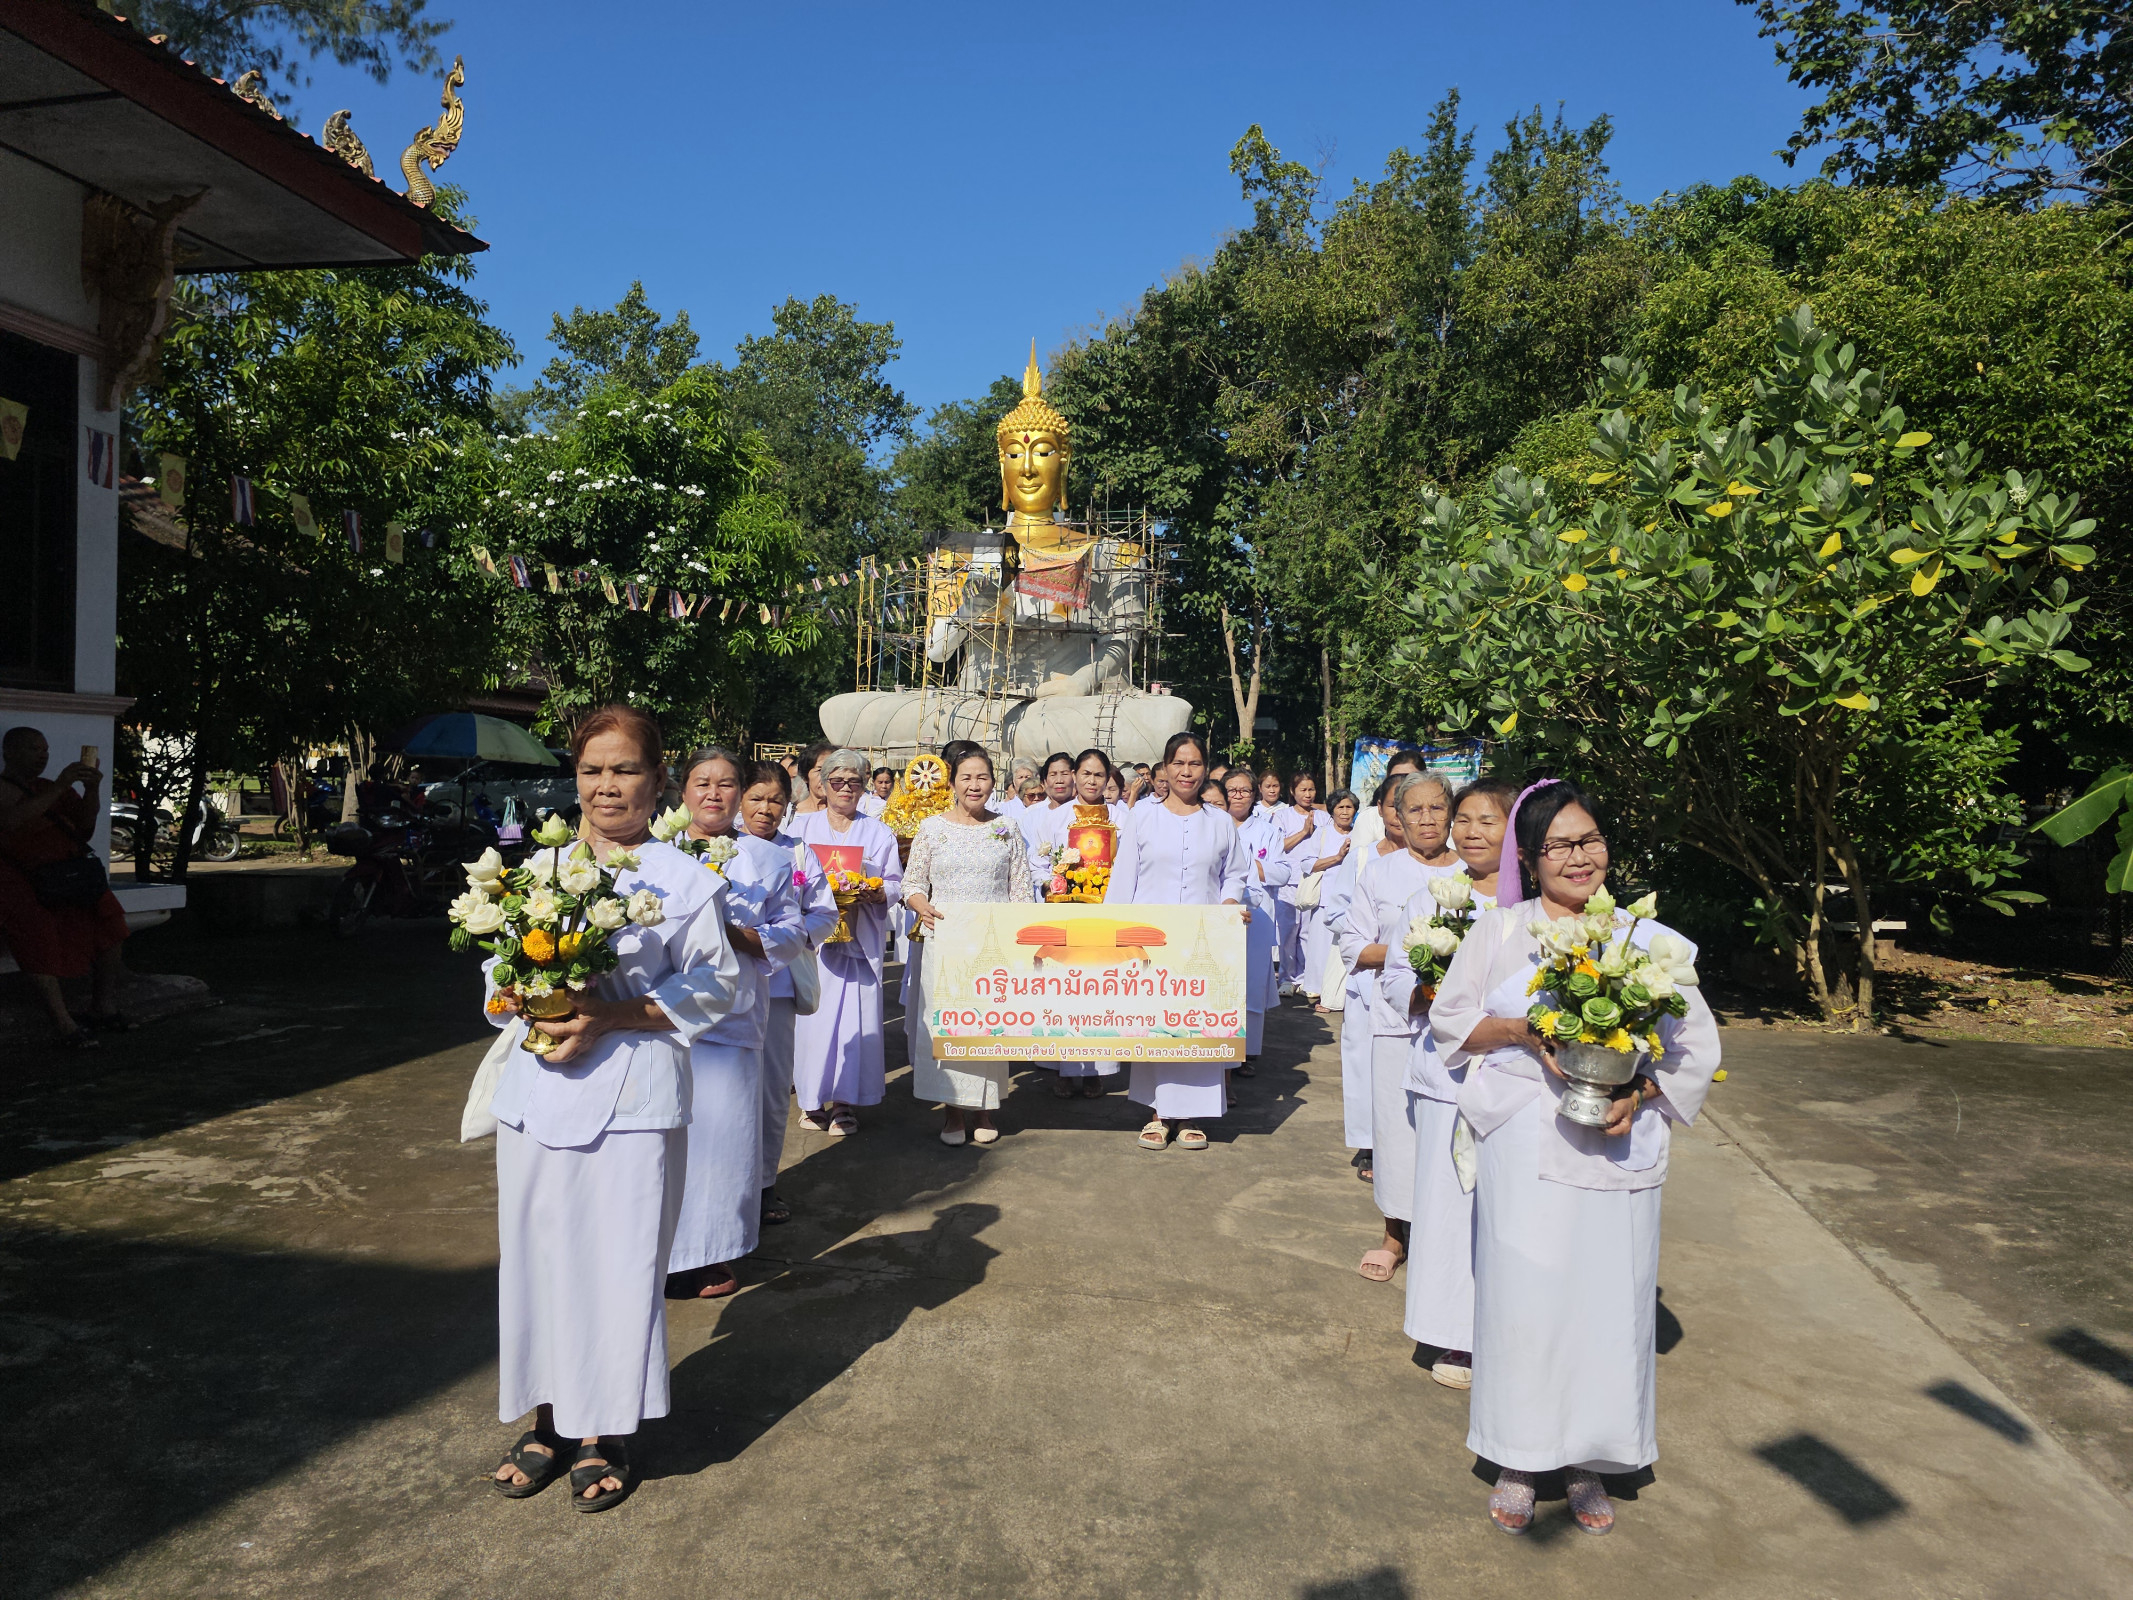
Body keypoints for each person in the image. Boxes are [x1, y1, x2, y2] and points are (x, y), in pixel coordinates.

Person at [1431, 778, 1719, 1536]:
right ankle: (1520, 1457)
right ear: (1528, 856)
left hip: (1616, 1147)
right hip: (1524, 1142)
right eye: (1558, 844)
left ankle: (1591, 1458)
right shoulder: (1500, 931)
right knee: (1524, 1297)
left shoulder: (1645, 942)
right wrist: (1526, 1032)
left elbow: (1696, 1047)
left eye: (1588, 840)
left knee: (1606, 1301)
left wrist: (1641, 1093)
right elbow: (1451, 1022)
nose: (1577, 856)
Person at [486, 705, 744, 1513]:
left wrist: (611, 1016)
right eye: (593, 770)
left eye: (625, 769)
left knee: (617, 1264)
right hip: (537, 1095)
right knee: (538, 1260)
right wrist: (524, 999)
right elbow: (492, 984)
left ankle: (606, 1432)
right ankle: (550, 1417)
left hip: (633, 1099)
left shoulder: (685, 881)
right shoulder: (535, 870)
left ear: (656, 779)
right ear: (576, 778)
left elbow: (715, 985)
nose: (608, 787)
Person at [1385, 775, 1516, 1389]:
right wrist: (1426, 988)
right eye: (1462, 820)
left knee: (1511, 1210)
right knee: (1448, 1209)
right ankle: (1454, 1337)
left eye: (1487, 820)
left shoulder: (1534, 908)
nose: (1469, 831)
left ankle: (1512, 1329)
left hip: (1521, 1083)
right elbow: (1391, 981)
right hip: (1445, 1076)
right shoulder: (1431, 898)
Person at [664, 748, 803, 1300]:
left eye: (726, 784)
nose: (714, 794)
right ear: (683, 791)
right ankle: (660, 1250)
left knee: (721, 1140)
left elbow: (792, 932)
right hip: (662, 1016)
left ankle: (709, 1252)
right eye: (703, 783)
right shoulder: (656, 853)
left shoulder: (766, 860)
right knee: (668, 1138)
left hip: (733, 1016)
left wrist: (735, 934)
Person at [1341, 772, 1458, 1284]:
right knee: (1397, 1132)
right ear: (1397, 817)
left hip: (1460, 1033)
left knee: (1452, 1137)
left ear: (1451, 812)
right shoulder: (1380, 874)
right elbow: (1353, 946)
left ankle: (1446, 1237)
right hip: (1393, 1023)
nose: (1427, 819)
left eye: (1437, 808)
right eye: (1415, 810)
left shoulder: (1476, 874)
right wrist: (1423, 955)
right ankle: (1394, 1235)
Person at [1107, 732, 1247, 1150]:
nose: (1187, 772)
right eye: (1178, 764)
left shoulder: (1219, 822)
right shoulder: (1143, 817)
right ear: (1164, 769)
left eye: (1195, 764)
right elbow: (1123, 879)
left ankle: (1192, 1114)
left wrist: (1228, 904)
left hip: (1203, 942)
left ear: (1205, 769)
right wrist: (1117, 934)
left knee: (1196, 1027)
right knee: (1157, 1027)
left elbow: (1235, 874)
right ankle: (1158, 1112)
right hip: (1151, 943)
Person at [900, 740, 1034, 1144]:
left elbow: (1021, 889)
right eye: (967, 778)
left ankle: (987, 1109)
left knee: (988, 1026)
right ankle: (953, 1111)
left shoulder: (1006, 828)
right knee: (948, 1026)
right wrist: (921, 906)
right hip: (944, 944)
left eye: (983, 777)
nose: (975, 785)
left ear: (995, 782)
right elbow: (912, 882)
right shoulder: (932, 828)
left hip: (991, 947)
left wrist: (1018, 937)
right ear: (953, 783)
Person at [737, 761, 838, 1228]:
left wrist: (785, 937)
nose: (766, 809)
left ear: (789, 804)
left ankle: (763, 1184)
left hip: (775, 987)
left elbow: (824, 914)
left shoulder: (799, 852)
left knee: (773, 1091)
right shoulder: (718, 847)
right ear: (739, 799)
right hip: (719, 986)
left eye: (775, 800)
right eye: (756, 797)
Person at [1320, 751, 1426, 1181]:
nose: (1402, 811)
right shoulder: (1363, 858)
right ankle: (1369, 1142)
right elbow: (1334, 913)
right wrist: (1383, 946)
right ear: (1381, 810)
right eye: (1393, 801)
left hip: (1427, 986)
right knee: (1367, 1062)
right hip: (1369, 982)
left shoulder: (1445, 860)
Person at [790, 749, 903, 1135]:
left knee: (855, 1023)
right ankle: (809, 1101)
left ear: (863, 786)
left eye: (853, 782)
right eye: (836, 781)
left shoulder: (878, 832)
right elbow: (790, 878)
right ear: (822, 784)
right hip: (816, 944)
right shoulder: (802, 829)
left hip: (860, 938)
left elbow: (895, 882)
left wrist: (873, 891)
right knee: (814, 1023)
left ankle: (844, 1103)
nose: (845, 789)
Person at [0, 727, 132, 1047]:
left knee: (110, 924)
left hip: (68, 872)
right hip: (20, 877)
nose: (43, 755)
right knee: (38, 939)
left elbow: (85, 828)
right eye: (34, 749)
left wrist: (91, 790)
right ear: (9, 752)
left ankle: (103, 1006)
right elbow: (10, 823)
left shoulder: (49, 787)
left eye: (45, 749)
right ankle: (64, 1024)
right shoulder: (4, 788)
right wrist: (61, 784)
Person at [1031, 747, 1132, 1096]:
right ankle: (1061, 1068)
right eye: (1086, 773)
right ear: (1074, 775)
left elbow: (1131, 865)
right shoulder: (1055, 818)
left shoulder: (1122, 818)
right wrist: (1051, 882)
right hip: (1065, 914)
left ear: (1108, 780)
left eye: (1099, 775)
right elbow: (1037, 862)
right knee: (1064, 991)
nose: (1092, 780)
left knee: (1100, 993)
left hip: (1106, 915)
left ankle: (1095, 1071)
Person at [1223, 768, 1290, 1066]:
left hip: (1257, 912)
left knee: (1250, 981)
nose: (1238, 796)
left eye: (1244, 791)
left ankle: (1247, 1052)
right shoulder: (1215, 826)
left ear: (1254, 795)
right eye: (1232, 790)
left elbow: (1284, 871)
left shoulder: (1268, 831)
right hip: (1221, 910)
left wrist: (1256, 867)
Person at [1298, 789, 1356, 1009]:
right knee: (1321, 951)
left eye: (1349, 807)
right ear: (1331, 810)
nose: (1344, 811)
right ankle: (1321, 991)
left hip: (1353, 902)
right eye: (1340, 807)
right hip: (1325, 900)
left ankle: (1340, 994)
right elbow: (1307, 864)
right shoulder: (1321, 833)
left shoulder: (1360, 834)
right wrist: (1337, 858)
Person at [1274, 772, 1322, 994]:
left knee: (1308, 935)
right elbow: (1278, 846)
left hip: (1312, 882)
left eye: (1311, 789)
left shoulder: (1324, 817)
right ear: (1292, 792)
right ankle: (1286, 978)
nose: (1308, 794)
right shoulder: (1282, 816)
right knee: (1288, 933)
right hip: (1288, 882)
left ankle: (1305, 979)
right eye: (1302, 790)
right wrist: (1303, 832)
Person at [792, 742, 834, 816]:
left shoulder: (848, 813)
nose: (827, 776)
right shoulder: (792, 814)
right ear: (805, 776)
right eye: (820, 770)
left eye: (832, 770)